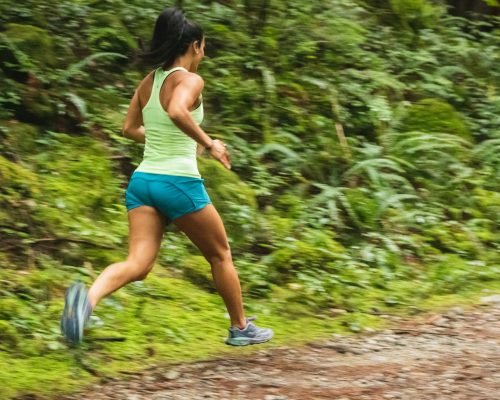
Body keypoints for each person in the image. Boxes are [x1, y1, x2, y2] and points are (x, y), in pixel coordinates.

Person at [60, 7, 273, 347]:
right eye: (203, 46)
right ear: (194, 45)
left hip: (143, 182)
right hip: (177, 182)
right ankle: (240, 327)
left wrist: (170, 138)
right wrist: (210, 143)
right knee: (220, 255)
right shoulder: (190, 80)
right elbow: (176, 110)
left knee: (138, 264)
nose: (204, 52)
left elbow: (129, 129)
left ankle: (85, 303)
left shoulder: (149, 80)